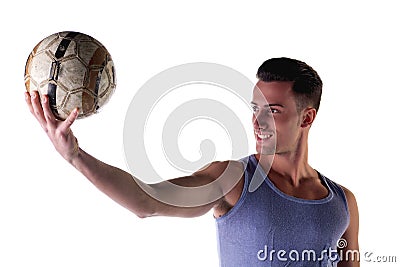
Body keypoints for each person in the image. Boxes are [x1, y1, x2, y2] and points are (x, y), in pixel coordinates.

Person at [25, 57, 359, 266]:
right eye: (254, 109)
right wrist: (75, 156)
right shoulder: (234, 178)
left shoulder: (342, 202)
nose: (257, 123)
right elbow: (147, 201)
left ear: (306, 117)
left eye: (272, 112)